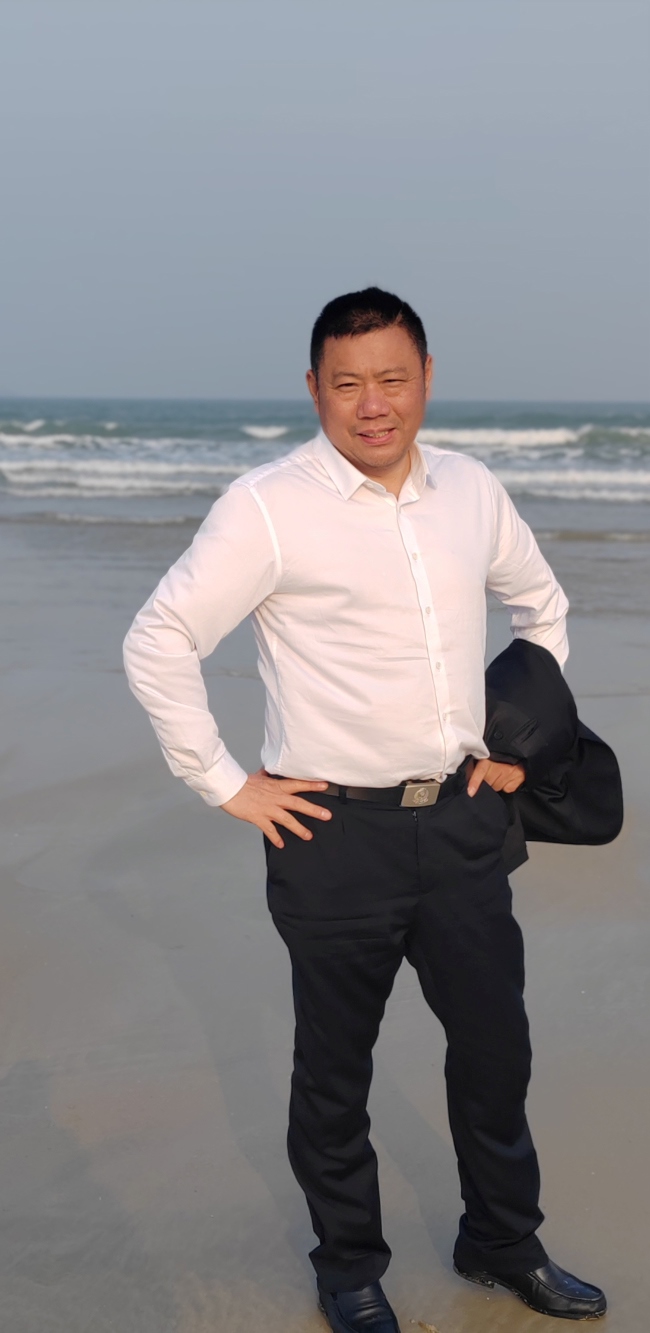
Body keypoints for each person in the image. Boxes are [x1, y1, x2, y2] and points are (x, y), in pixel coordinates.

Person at [123, 288, 607, 1331]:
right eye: (347, 383)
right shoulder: (266, 507)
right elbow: (159, 639)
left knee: (496, 1051)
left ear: (426, 378)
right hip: (331, 835)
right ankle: (348, 1266)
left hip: (465, 823)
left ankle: (500, 1241)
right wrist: (225, 781)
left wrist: (519, 747)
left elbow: (541, 606)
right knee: (335, 1072)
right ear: (314, 389)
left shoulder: (470, 489)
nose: (372, 403)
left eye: (392, 378)